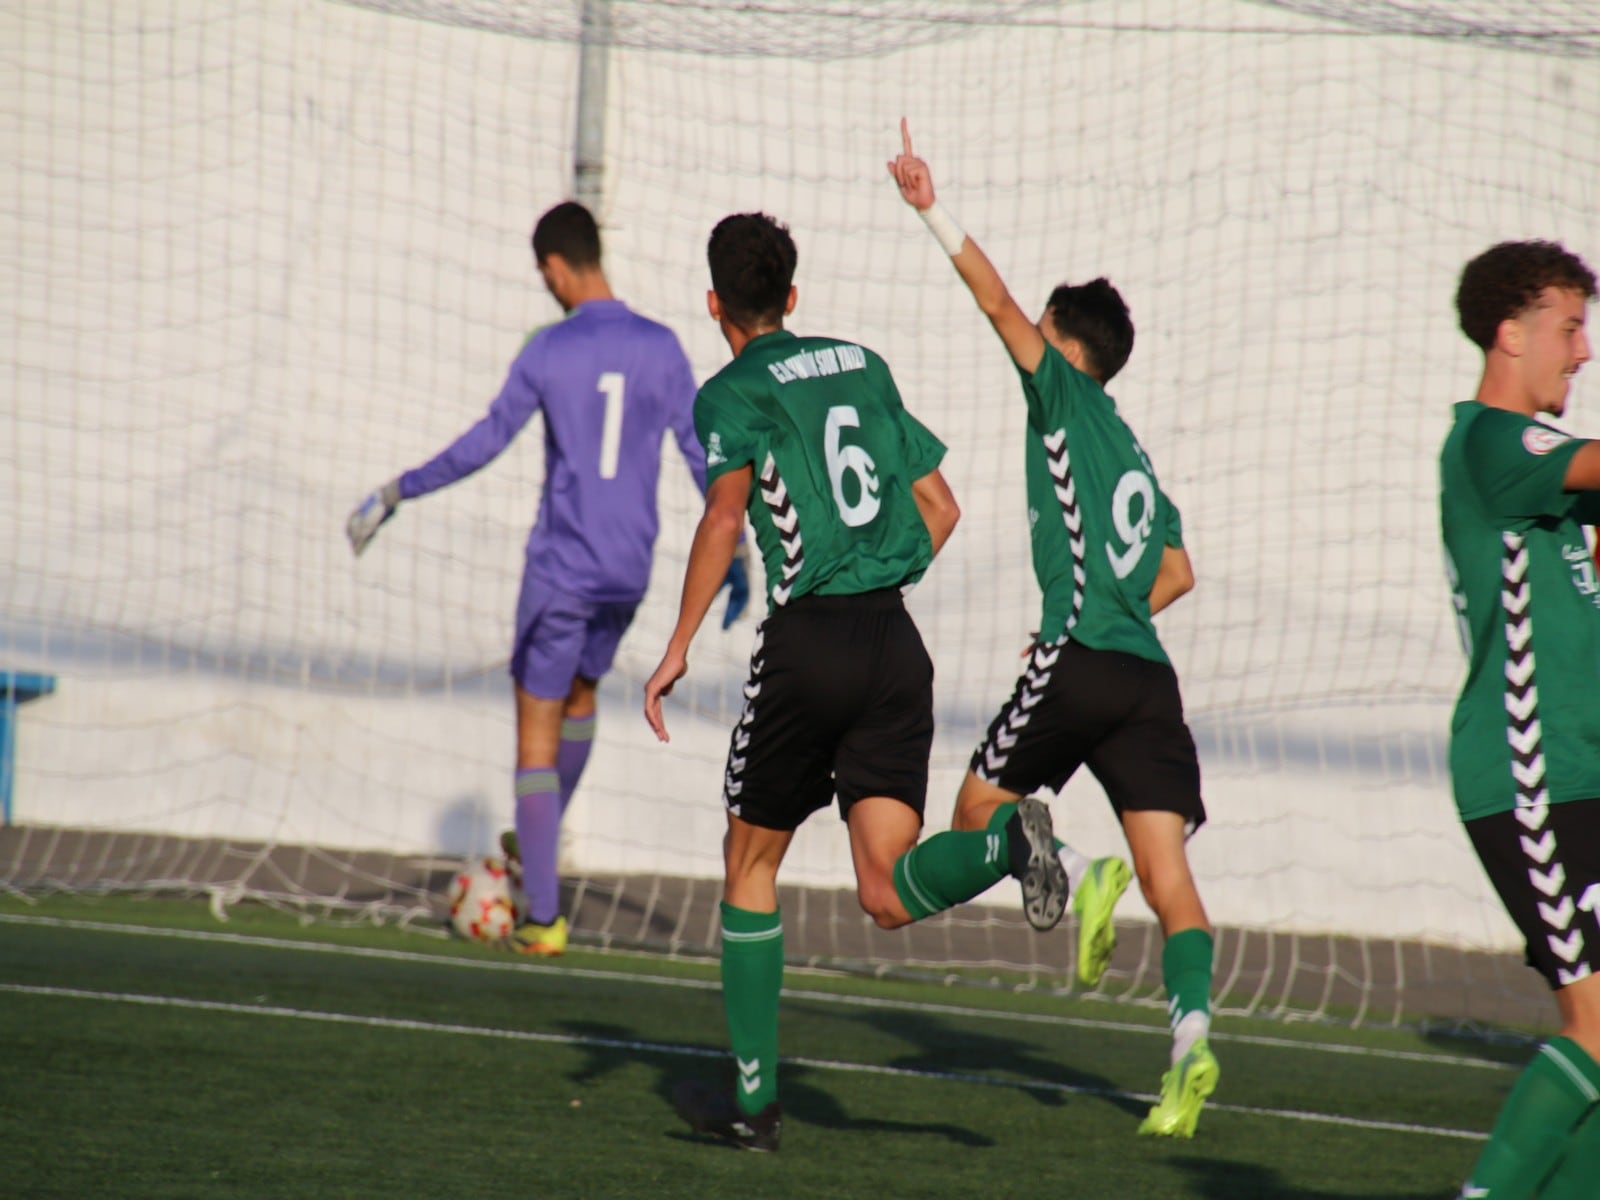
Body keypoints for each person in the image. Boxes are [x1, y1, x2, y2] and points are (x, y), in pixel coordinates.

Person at [642, 211, 1069, 1152]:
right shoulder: (861, 365)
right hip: (892, 647)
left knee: (751, 864)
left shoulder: (729, 395)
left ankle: (754, 1107)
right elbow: (941, 506)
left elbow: (723, 518)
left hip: (809, 646)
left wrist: (676, 645)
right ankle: (1005, 844)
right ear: (793, 299)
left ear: (715, 303)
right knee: (885, 889)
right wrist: (882, 576)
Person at [888, 120, 1218, 1138]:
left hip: (1073, 660)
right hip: (1144, 681)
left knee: (974, 810)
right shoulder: (1132, 448)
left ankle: (1073, 869)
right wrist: (1112, 615)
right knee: (1176, 887)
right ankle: (1188, 1053)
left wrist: (929, 208)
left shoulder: (1063, 397)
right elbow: (1177, 571)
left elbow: (992, 302)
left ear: (1059, 337)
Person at [346, 200, 747, 957]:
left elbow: (486, 440)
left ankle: (543, 917)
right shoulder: (661, 347)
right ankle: (538, 840)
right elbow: (704, 455)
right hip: (627, 571)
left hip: (561, 570)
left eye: (545, 276)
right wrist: (742, 555)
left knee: (534, 733)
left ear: (557, 267)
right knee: (583, 698)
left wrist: (400, 489)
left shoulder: (548, 348)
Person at [1440, 240, 1600, 1199]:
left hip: (1584, 771)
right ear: (1509, 332)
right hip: (1531, 778)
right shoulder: (1495, 444)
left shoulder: (1547, 474)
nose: (1582, 353)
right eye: (1569, 328)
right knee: (1595, 1028)